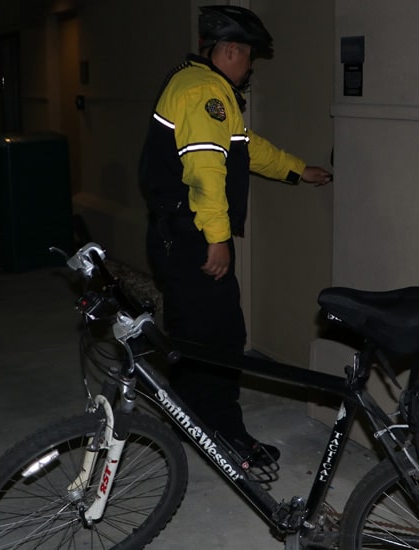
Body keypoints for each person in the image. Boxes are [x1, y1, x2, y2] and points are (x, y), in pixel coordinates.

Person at [140, 5, 332, 467]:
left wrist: (297, 170)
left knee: (193, 338)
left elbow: (244, 150)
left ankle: (187, 425)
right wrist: (217, 239)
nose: (250, 68)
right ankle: (227, 438)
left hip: (173, 234)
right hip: (191, 238)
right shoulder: (209, 92)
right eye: (248, 57)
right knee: (222, 340)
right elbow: (206, 172)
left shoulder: (193, 83)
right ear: (229, 51)